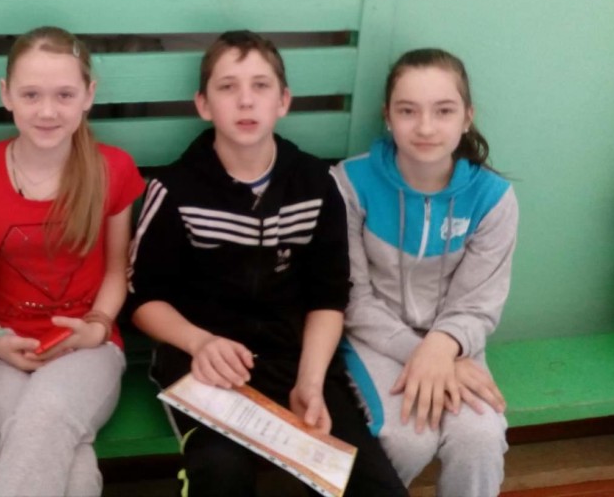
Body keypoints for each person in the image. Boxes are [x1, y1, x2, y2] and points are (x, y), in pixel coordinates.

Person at [128, 30, 407, 497]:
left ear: (283, 101)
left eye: (260, 86)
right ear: (203, 105)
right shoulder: (174, 190)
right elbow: (143, 299)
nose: (245, 100)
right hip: (204, 365)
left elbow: (328, 299)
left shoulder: (317, 184)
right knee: (222, 473)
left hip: (297, 361)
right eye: (227, 87)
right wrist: (200, 342)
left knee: (373, 487)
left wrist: (311, 382)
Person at [0, 26, 144, 497]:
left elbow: (116, 270)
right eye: (31, 94)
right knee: (68, 464)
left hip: (88, 348)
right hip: (2, 353)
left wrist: (97, 326)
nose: (47, 111)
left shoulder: (112, 169)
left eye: (64, 95)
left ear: (89, 95)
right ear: (6, 95)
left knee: (45, 419)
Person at [332, 48, 519, 496]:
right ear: (388, 116)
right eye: (408, 111)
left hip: (455, 345)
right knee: (406, 438)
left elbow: (478, 305)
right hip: (374, 338)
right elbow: (351, 298)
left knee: (480, 436)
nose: (426, 127)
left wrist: (441, 347)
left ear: (467, 117)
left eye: (444, 110)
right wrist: (421, 353)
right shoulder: (349, 183)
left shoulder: (493, 198)